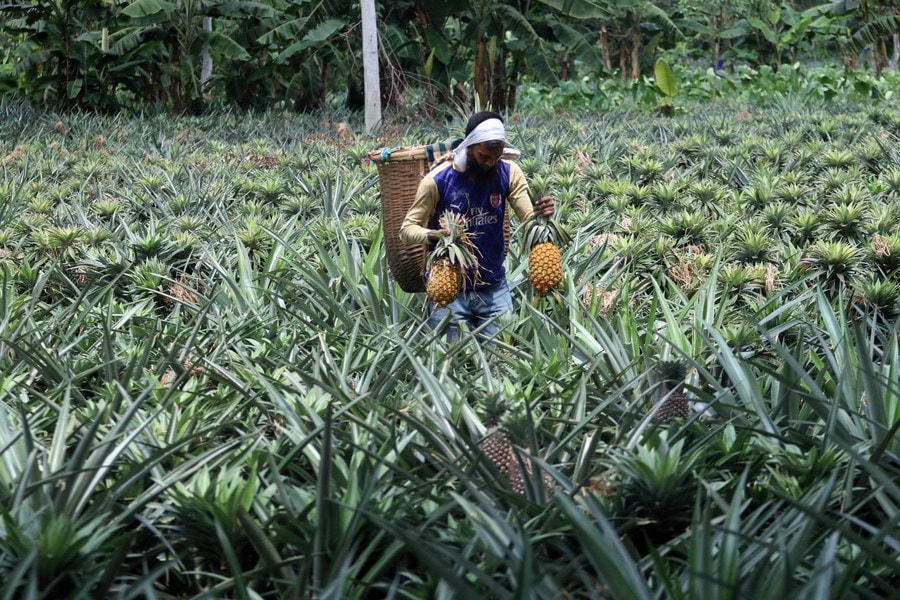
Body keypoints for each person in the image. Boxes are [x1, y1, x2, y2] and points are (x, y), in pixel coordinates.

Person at [400, 111, 555, 340]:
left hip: (494, 288)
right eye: (484, 155)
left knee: (501, 365)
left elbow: (529, 219)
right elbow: (407, 229)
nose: (491, 161)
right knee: (449, 366)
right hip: (449, 291)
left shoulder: (509, 172)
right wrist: (434, 236)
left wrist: (544, 214)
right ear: (470, 146)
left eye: (497, 154)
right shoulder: (437, 180)